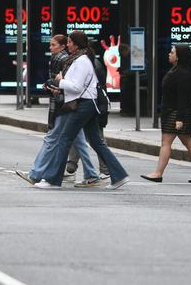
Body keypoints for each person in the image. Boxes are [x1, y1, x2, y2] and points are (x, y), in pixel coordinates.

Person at [16, 30, 128, 190]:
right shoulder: (79, 59)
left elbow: (76, 87)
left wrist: (60, 82)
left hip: (84, 105)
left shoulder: (81, 61)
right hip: (86, 104)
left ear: (76, 44)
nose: (67, 45)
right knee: (96, 142)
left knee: (64, 140)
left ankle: (53, 180)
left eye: (69, 42)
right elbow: (76, 85)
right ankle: (119, 176)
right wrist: (58, 88)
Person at [141, 44, 191, 183]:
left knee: (166, 142)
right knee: (188, 142)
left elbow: (183, 98)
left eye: (172, 52)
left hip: (177, 113)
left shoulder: (182, 73)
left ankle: (158, 173)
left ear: (178, 56)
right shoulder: (180, 70)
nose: (169, 54)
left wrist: (180, 119)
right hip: (177, 112)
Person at [65, 47, 111, 186]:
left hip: (91, 106)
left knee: (95, 139)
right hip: (93, 106)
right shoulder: (91, 63)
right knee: (83, 137)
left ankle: (105, 170)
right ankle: (72, 166)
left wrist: (61, 82)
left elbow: (82, 87)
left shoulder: (87, 64)